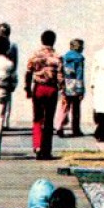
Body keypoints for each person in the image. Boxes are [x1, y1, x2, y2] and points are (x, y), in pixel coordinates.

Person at [22, 31, 64, 161]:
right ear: (54, 41)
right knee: (49, 120)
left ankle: (37, 146)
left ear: (42, 40)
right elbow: (60, 77)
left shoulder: (35, 55)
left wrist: (27, 88)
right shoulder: (58, 57)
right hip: (51, 89)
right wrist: (62, 90)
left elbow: (28, 73)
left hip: (38, 88)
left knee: (37, 118)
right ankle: (46, 150)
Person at [55, 38, 87, 138]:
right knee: (76, 108)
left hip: (65, 84)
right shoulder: (79, 58)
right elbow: (79, 74)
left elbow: (60, 71)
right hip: (75, 85)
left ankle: (59, 126)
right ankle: (75, 129)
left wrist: (61, 85)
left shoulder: (64, 57)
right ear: (78, 47)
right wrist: (80, 90)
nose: (83, 48)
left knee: (64, 106)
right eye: (82, 46)